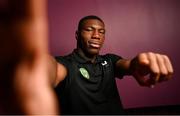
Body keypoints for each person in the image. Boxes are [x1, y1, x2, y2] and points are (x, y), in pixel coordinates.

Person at [53, 15, 174, 114]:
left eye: (101, 32)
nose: (96, 35)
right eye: (89, 30)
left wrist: (136, 64)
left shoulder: (109, 60)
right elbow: (53, 69)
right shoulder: (64, 64)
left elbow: (127, 64)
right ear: (77, 35)